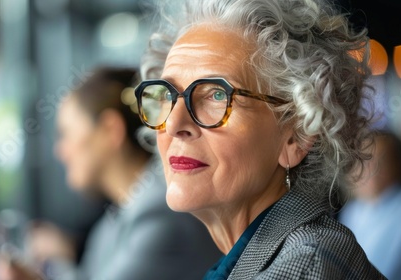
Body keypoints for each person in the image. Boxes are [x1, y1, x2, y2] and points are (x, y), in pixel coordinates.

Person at [134, 0, 386, 279]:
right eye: (168, 94)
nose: (173, 124)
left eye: (217, 94)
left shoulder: (303, 267)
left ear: (296, 137)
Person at [0, 67, 221, 280]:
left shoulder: (160, 212)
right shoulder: (119, 216)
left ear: (110, 130)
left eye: (66, 134)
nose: (60, 151)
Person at [339, 130, 401, 280]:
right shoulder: (352, 209)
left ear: (397, 165)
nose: (370, 170)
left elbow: (381, 270)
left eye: (380, 161)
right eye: (364, 161)